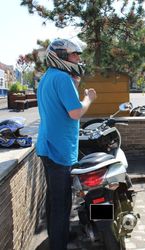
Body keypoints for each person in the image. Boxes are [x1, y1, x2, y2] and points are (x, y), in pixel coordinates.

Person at [36, 38, 97, 250]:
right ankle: (59, 244)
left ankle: (56, 238)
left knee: (53, 200)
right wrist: (89, 98)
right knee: (62, 203)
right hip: (59, 150)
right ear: (61, 56)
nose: (78, 58)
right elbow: (76, 112)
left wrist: (75, 85)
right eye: (74, 54)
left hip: (48, 146)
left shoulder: (49, 77)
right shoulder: (62, 78)